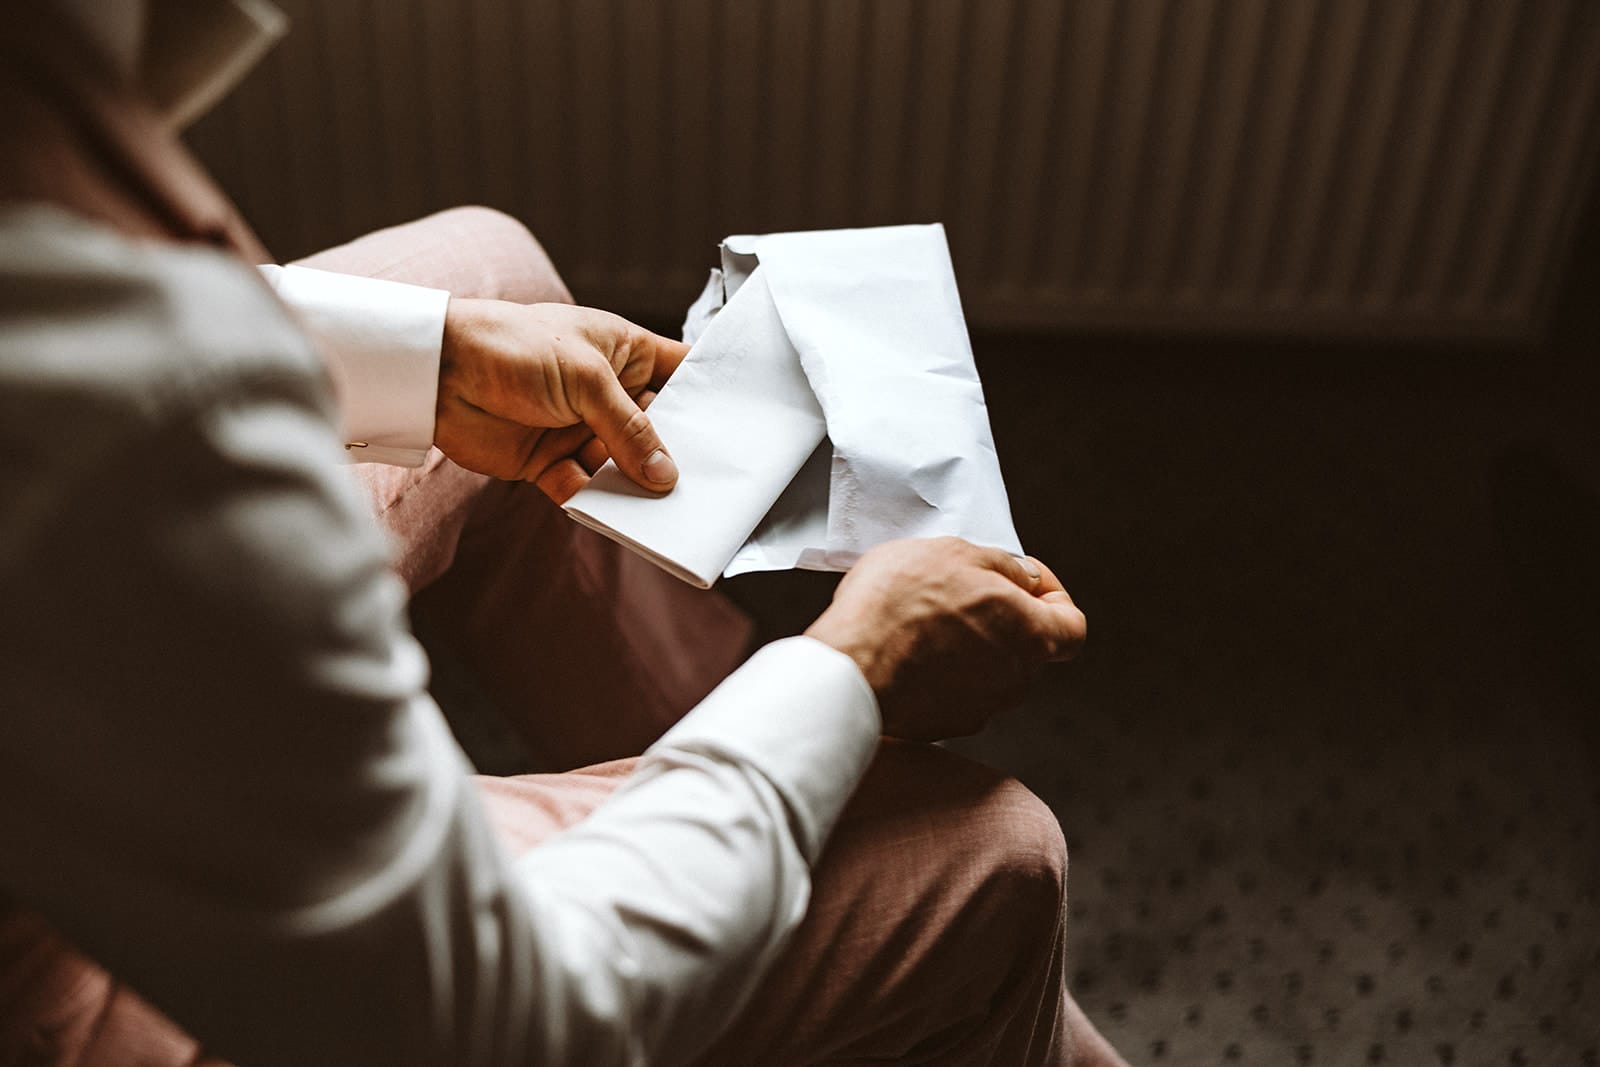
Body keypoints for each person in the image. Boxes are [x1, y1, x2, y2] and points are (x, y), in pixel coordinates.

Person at [0, 3, 1127, 1064]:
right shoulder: (138, 428)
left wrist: (424, 358)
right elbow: (507, 1016)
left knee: (495, 274)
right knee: (985, 864)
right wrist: (852, 671)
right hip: (74, 972)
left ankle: (710, 777)